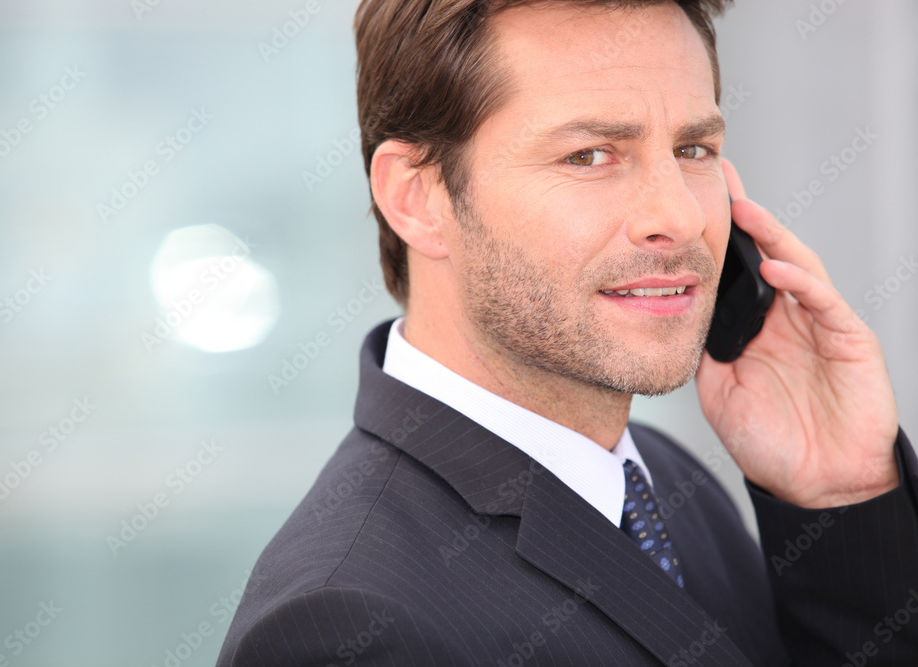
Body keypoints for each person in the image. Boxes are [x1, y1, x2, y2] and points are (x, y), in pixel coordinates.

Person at [217, 1, 918, 664]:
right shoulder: (350, 626)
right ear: (416, 197)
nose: (677, 214)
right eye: (590, 155)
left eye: (694, 149)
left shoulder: (671, 484)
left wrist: (841, 498)